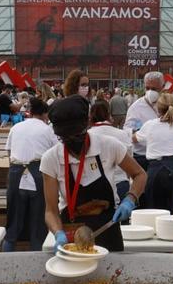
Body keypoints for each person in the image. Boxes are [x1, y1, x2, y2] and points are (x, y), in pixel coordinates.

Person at [42, 95, 146, 252]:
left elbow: (139, 174)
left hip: (108, 226)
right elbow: (50, 211)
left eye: (77, 135)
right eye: (65, 138)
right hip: (71, 231)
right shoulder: (51, 159)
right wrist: (58, 233)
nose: (72, 141)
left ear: (88, 124)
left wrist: (130, 199)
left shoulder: (109, 146)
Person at [2, 97, 56, 252]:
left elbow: (9, 153)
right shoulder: (48, 130)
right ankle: (36, 268)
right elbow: (56, 155)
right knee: (38, 227)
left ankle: (6, 263)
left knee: (12, 226)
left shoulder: (16, 128)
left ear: (30, 112)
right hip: (39, 177)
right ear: (45, 114)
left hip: (15, 175)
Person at [138, 92, 173, 215]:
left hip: (155, 170)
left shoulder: (150, 125)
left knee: (155, 214)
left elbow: (134, 138)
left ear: (157, 108)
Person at [89, 99, 134, 203]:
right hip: (121, 182)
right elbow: (130, 158)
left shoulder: (88, 135)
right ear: (109, 114)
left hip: (96, 186)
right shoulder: (121, 134)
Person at [123, 71, 164, 170]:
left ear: (162, 87)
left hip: (162, 154)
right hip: (142, 155)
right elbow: (127, 130)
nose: (150, 91)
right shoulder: (136, 107)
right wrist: (137, 133)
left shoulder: (167, 104)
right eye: (147, 88)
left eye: (154, 89)